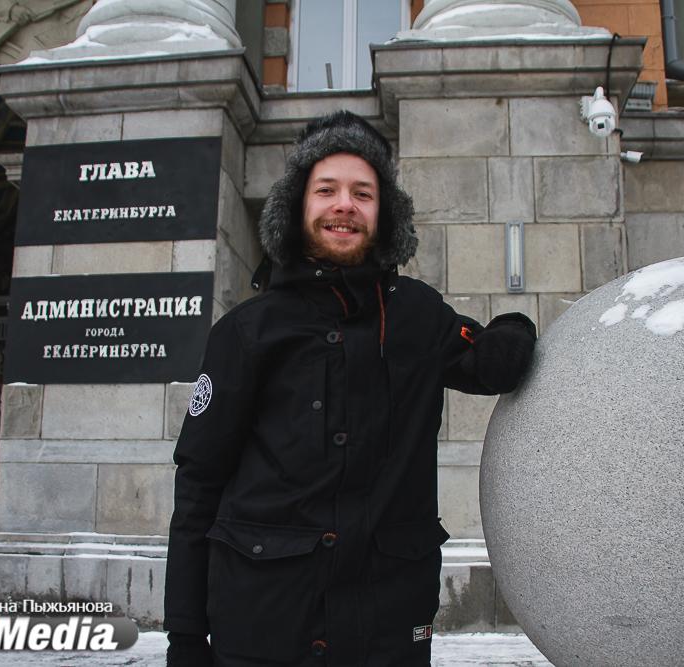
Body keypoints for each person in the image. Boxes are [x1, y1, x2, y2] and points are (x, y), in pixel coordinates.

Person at [165, 111, 537, 666]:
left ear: (384, 215)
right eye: (327, 190)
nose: (345, 204)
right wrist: (187, 641)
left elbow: (492, 367)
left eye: (363, 193)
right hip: (263, 629)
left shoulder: (417, 315)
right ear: (298, 207)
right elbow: (198, 490)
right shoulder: (245, 331)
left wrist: (518, 325)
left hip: (384, 632)